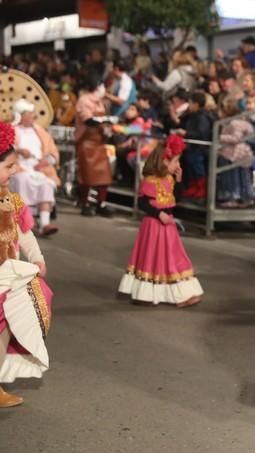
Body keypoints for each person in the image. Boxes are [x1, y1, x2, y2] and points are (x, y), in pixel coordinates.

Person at [0, 121, 54, 407]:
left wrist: (37, 257)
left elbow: (25, 233)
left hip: (9, 278)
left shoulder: (13, 200)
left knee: (7, 325)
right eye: (8, 166)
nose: (14, 171)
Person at [118, 135, 203, 307]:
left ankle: (180, 294)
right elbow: (143, 202)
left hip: (167, 226)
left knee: (172, 257)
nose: (178, 165)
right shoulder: (150, 181)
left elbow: (175, 199)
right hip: (153, 225)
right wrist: (158, 214)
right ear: (164, 161)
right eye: (175, 161)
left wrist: (179, 181)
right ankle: (148, 294)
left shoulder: (170, 180)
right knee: (152, 257)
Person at [10, 99, 60, 236]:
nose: (33, 116)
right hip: (17, 168)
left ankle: (44, 224)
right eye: (30, 113)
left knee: (46, 184)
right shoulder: (11, 131)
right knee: (22, 180)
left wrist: (46, 161)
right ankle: (22, 222)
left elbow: (52, 151)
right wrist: (18, 151)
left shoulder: (40, 131)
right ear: (21, 115)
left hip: (40, 169)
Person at [74, 77, 114, 217]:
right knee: (86, 176)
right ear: (98, 86)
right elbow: (88, 120)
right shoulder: (84, 101)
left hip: (99, 142)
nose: (105, 90)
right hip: (86, 142)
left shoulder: (100, 103)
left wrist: (107, 128)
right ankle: (84, 203)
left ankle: (100, 204)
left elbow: (101, 121)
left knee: (104, 175)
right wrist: (106, 120)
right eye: (104, 86)